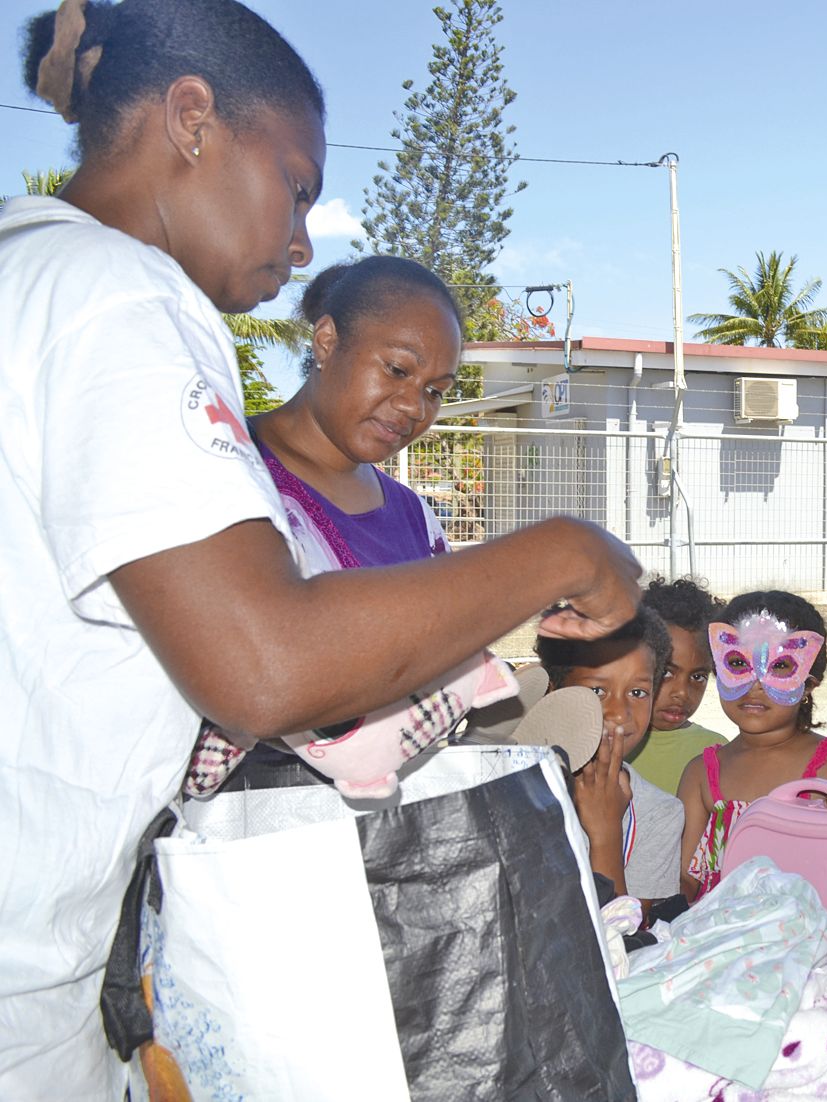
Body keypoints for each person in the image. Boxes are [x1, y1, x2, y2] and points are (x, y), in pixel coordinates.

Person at [0, 2, 638, 1093]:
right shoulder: (113, 296)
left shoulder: (32, 278)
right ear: (191, 119)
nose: (302, 242)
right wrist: (564, 547)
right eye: (296, 187)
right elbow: (267, 664)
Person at [676, 590, 827, 898]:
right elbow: (683, 882)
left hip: (825, 936)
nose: (756, 685)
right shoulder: (701, 775)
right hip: (724, 937)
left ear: (809, 684)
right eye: (737, 662)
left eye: (781, 666)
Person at [251, 255, 461, 566]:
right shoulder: (228, 470)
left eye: (434, 391)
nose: (414, 407)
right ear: (326, 342)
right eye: (397, 370)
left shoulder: (416, 517)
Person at [537, 609, 685, 904]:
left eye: (638, 693)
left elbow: (621, 937)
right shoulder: (518, 788)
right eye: (597, 690)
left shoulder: (659, 813)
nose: (620, 712)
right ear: (553, 693)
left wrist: (605, 832)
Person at [628, 576, 727, 792]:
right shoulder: (606, 743)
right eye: (666, 673)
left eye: (698, 677)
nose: (682, 693)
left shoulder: (714, 752)